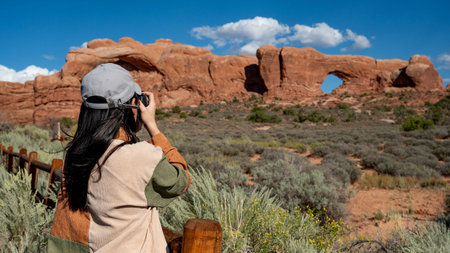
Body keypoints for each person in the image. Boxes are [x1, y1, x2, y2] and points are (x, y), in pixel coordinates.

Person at [47, 63, 190, 252]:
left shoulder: (75, 155)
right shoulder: (142, 156)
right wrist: (153, 127)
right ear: (132, 104)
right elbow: (181, 179)